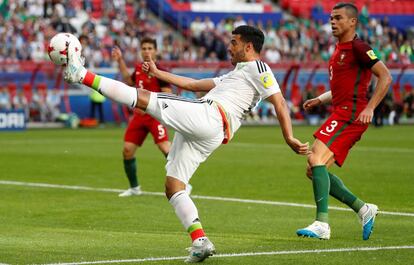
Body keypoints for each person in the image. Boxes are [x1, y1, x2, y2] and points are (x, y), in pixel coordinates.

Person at [63, 25, 309, 263]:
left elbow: (279, 102)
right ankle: (200, 240)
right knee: (173, 185)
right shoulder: (236, 75)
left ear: (248, 46)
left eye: (234, 42)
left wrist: (288, 136)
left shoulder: (258, 66)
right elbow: (192, 85)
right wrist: (158, 74)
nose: (229, 46)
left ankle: (81, 75)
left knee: (144, 99)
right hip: (212, 132)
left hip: (210, 116)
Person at [297, 3, 392, 241]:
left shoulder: (359, 48)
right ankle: (363, 209)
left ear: (353, 22)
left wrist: (370, 107)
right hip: (341, 112)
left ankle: (322, 224)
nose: (332, 22)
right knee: (314, 169)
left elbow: (386, 76)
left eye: (338, 18)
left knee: (315, 157)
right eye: (331, 18)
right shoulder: (339, 50)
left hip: (352, 114)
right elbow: (344, 86)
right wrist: (320, 99)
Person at [111, 37, 174, 197]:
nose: (146, 51)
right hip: (138, 117)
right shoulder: (139, 68)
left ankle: (182, 184)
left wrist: (153, 106)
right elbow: (128, 81)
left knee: (166, 149)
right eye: (144, 48)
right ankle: (134, 188)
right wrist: (120, 61)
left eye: (150, 48)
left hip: (154, 117)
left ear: (156, 51)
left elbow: (168, 94)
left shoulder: (160, 70)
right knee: (127, 151)